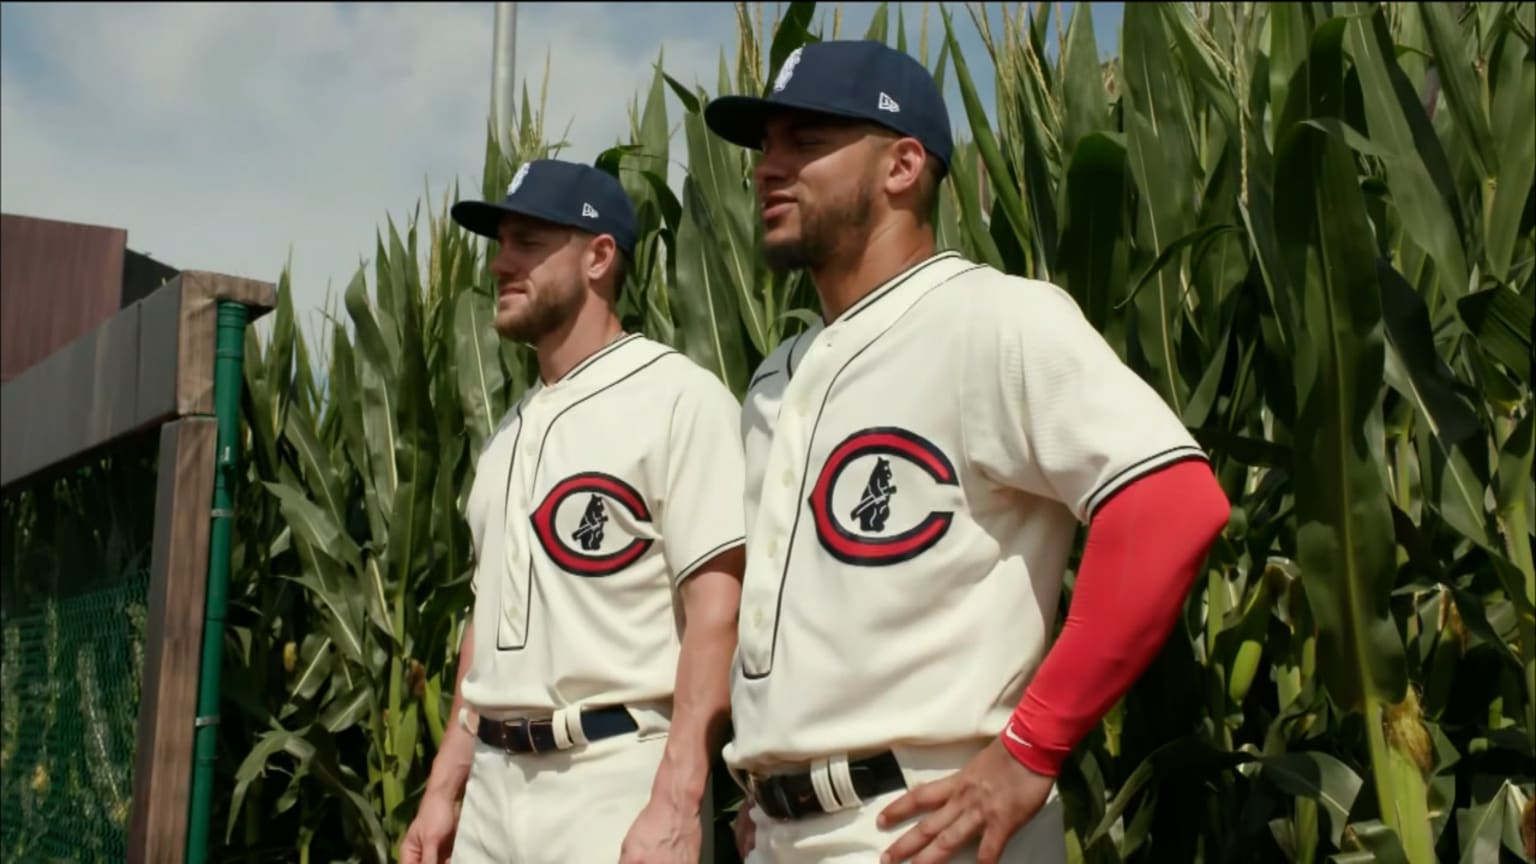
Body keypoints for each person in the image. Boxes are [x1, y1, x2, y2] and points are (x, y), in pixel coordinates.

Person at [702, 40, 1232, 863]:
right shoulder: (774, 378)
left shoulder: (994, 319)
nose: (768, 168)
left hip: (932, 823)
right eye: (765, 146)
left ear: (903, 166)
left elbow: (1172, 505)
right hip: (782, 834)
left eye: (804, 141)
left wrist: (1030, 751)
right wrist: (774, 779)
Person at [400, 158, 747, 864]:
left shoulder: (679, 399)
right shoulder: (505, 435)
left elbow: (719, 614)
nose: (500, 264)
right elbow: (487, 629)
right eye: (501, 244)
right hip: (491, 790)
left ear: (598, 256)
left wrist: (677, 799)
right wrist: (444, 789)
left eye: (528, 243)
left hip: (613, 778)